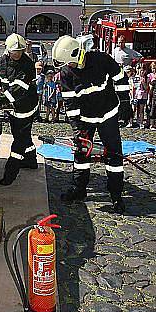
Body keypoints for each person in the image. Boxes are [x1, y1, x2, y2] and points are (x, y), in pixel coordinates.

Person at [52, 35, 130, 214]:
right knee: (81, 156)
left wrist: (125, 103)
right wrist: (77, 130)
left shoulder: (101, 60)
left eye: (69, 63)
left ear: (77, 54)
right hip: (85, 120)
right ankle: (79, 190)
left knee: (114, 156)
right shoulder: (66, 74)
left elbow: (120, 78)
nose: (68, 66)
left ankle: (116, 195)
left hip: (108, 115)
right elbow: (70, 105)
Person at [0, 33, 39, 185]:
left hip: (26, 107)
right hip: (13, 108)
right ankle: (31, 161)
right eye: (15, 51)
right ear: (8, 50)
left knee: (19, 140)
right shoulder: (3, 61)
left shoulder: (27, 64)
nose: (18, 54)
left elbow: (19, 89)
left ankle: (10, 173)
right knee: (23, 136)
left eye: (20, 51)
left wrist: (0, 99)